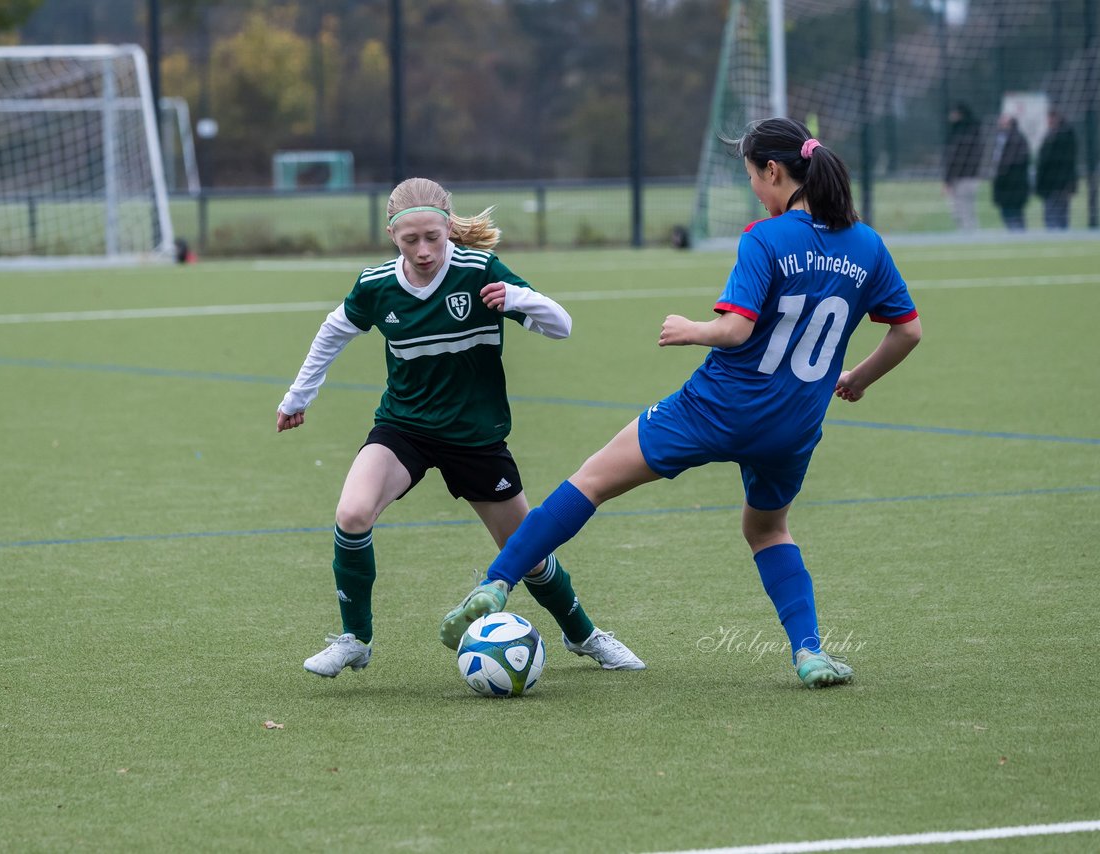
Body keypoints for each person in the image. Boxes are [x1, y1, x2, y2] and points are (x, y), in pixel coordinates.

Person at [441, 118, 923, 689]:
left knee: (592, 481)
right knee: (768, 530)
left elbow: (737, 331)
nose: (753, 190)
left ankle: (497, 582)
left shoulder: (765, 239)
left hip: (716, 409)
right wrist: (859, 379)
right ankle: (809, 653)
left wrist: (691, 328)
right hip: (793, 427)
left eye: (752, 177)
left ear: (775, 171)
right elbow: (908, 332)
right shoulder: (867, 244)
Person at [278, 177, 645, 678]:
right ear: (392, 236)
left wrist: (517, 299)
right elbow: (333, 329)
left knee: (528, 553)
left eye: (434, 237)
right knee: (352, 512)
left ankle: (583, 635)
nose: (425, 250)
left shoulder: (478, 270)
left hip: (476, 438)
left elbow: (561, 324)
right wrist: (298, 397)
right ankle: (354, 639)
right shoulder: (377, 285)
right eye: (411, 241)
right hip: (404, 428)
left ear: (449, 227)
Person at [943, 102, 984, 231]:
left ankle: (968, 235)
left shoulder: (959, 134)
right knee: (968, 209)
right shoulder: (976, 132)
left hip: (961, 178)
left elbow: (953, 159)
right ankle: (970, 233)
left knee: (962, 210)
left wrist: (947, 180)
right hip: (972, 177)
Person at [1036, 110, 1078, 230]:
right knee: (1059, 215)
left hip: (1055, 184)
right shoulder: (1065, 135)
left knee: (1053, 215)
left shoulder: (1058, 137)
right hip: (1059, 184)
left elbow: (1047, 161)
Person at [990, 115, 1030, 231]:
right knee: (1008, 214)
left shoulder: (1016, 139)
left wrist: (1002, 174)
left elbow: (1013, 163)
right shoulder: (1001, 139)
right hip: (1006, 186)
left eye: (1003, 123)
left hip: (1013, 186)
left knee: (1014, 214)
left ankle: (1019, 236)